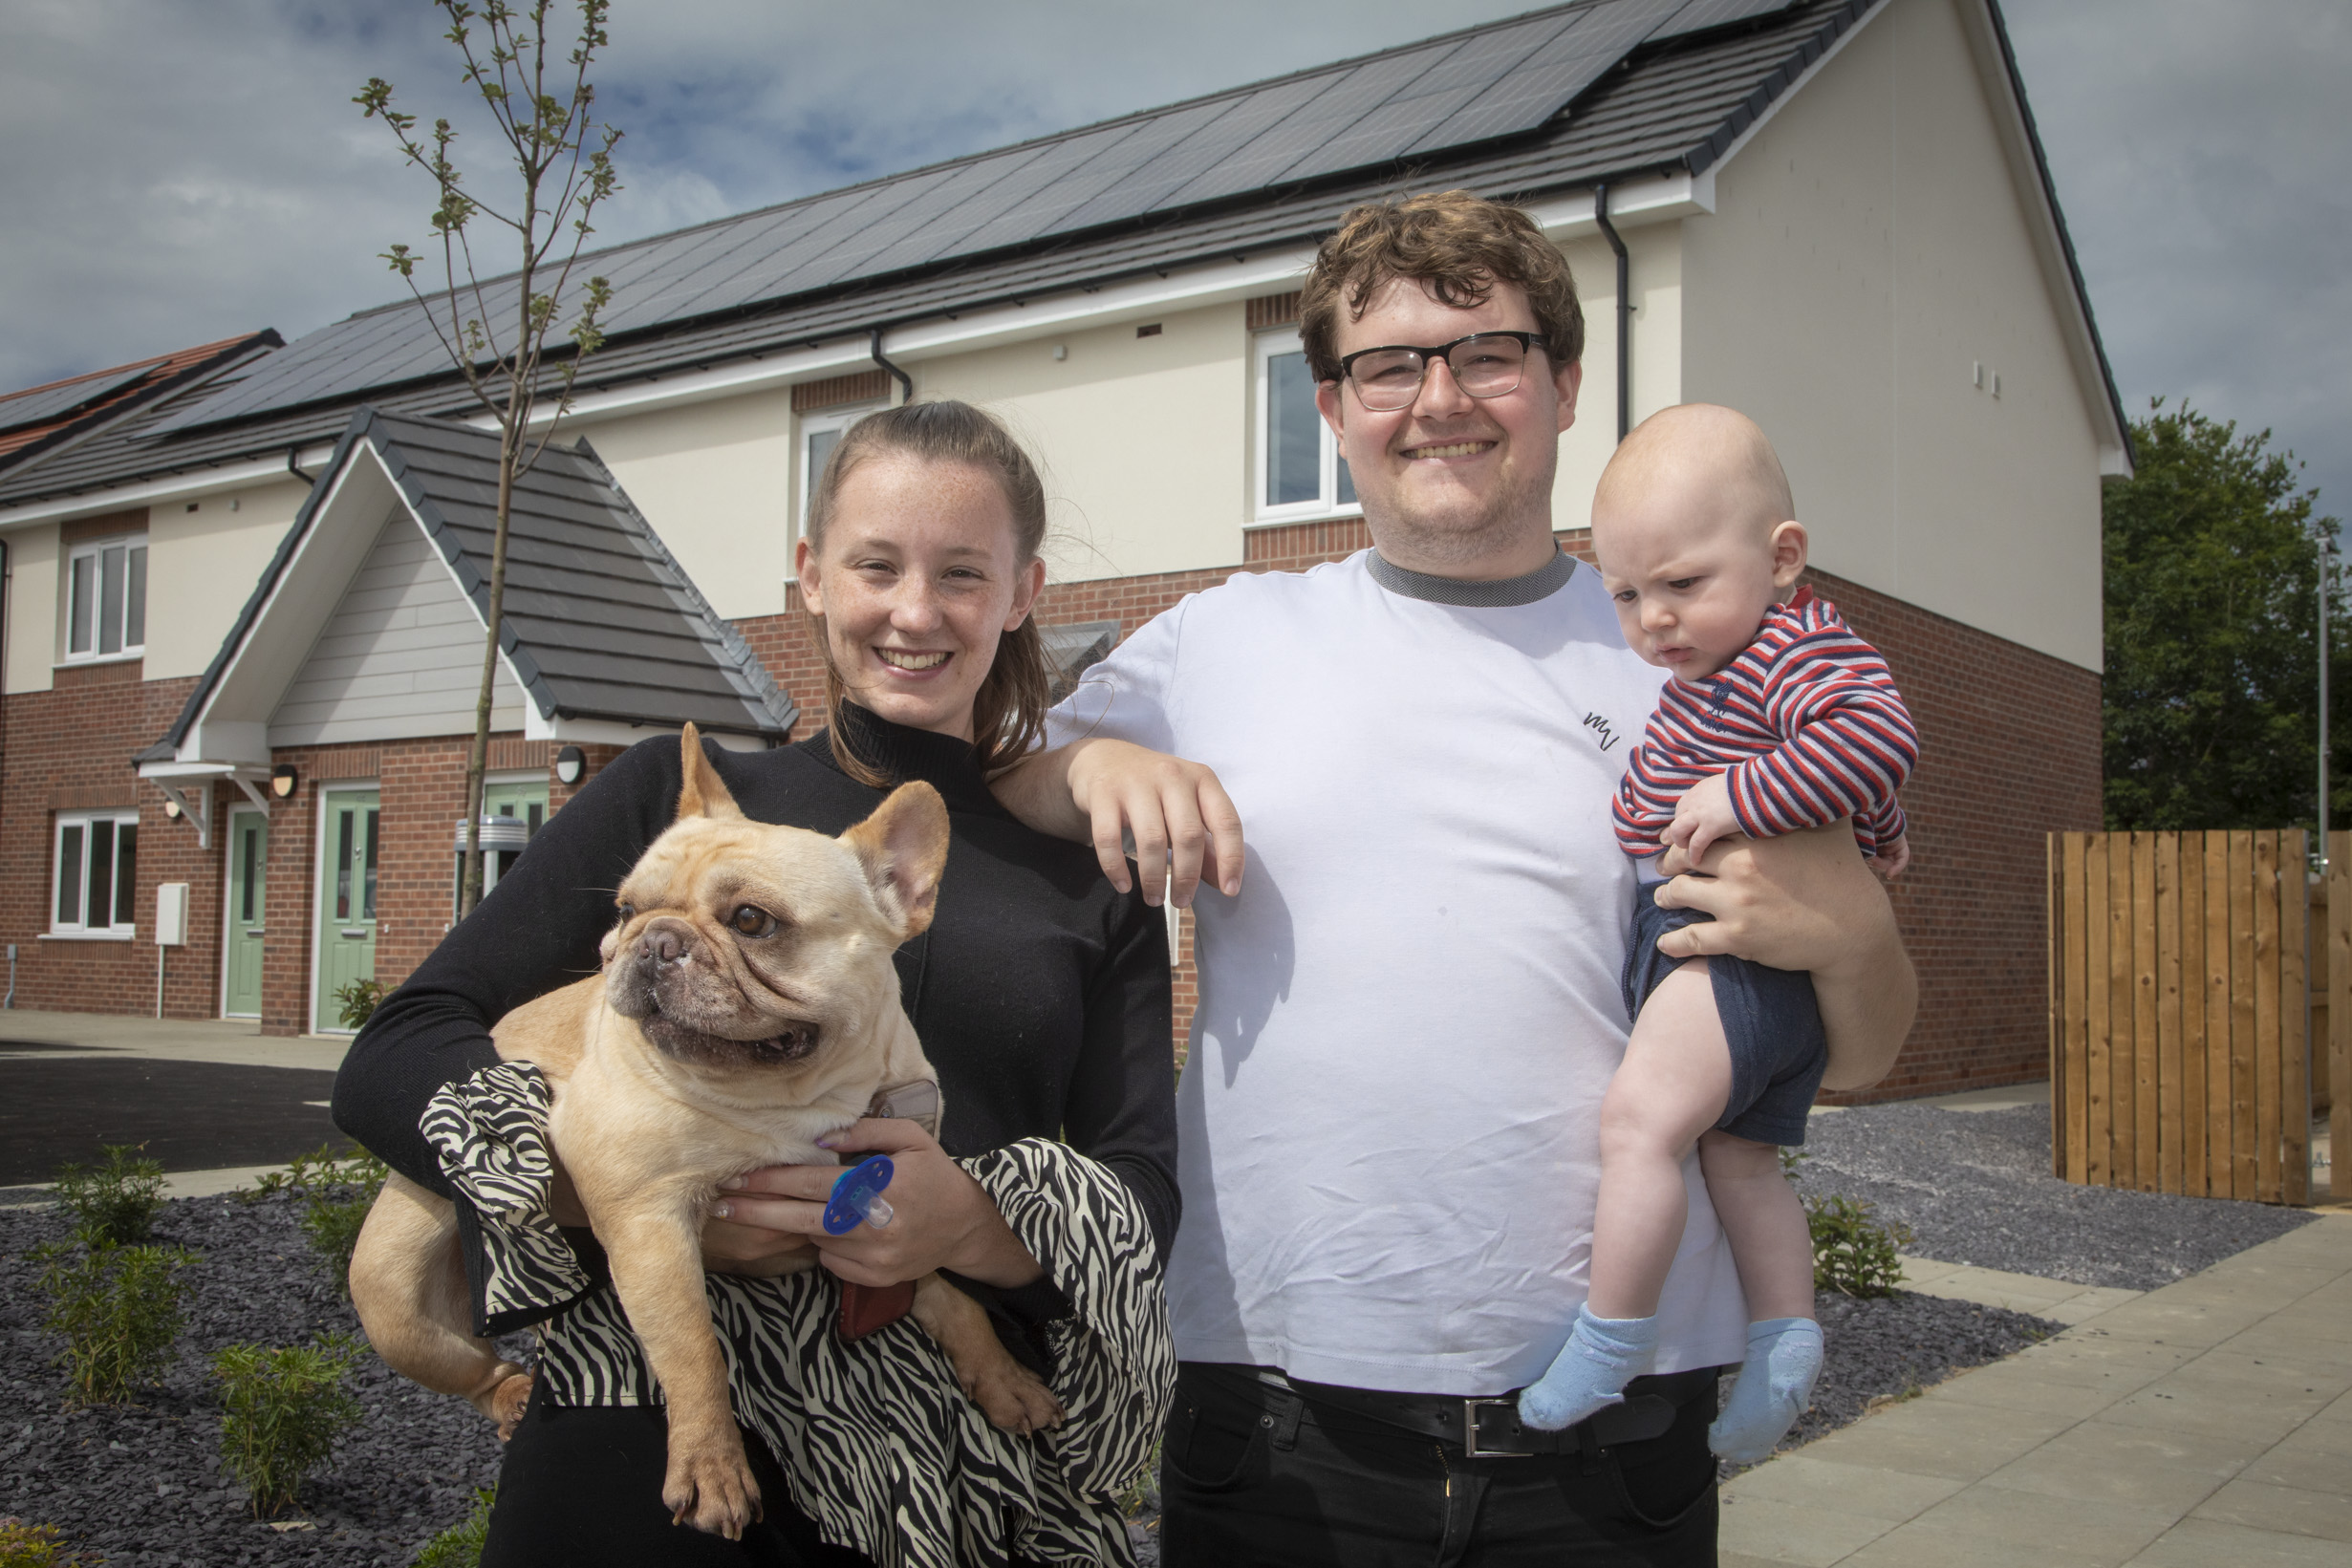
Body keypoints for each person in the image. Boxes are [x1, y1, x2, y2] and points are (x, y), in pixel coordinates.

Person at [991, 191, 1916, 1565]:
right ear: (1332, 405)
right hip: (1275, 1415)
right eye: (1388, 365)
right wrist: (1083, 771)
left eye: (1485, 351)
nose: (1439, 399)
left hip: (1611, 1440)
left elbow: (1867, 1055)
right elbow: (998, 775)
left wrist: (1844, 940)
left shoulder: (1688, 661)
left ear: (1561, 383)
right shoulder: (1222, 638)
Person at [332, 400, 1178, 1568]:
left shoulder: (1093, 871)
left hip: (953, 1468)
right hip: (642, 1441)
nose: (914, 610)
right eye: (874, 565)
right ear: (810, 577)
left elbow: (1143, 1193)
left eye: (963, 573)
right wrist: (609, 1183)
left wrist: (974, 1225)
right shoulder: (675, 804)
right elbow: (395, 1054)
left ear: (1023, 593)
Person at [1517, 404, 1918, 1465]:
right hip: (1748, 974)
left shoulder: (1790, 647)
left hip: (1727, 957)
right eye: (1625, 595)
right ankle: (1785, 1345)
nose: (1654, 619)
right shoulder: (1722, 669)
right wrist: (1879, 837)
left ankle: (1609, 1339)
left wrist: (1742, 793)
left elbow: (1879, 735)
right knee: (1741, 1167)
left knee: (1639, 1128)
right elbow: (1866, 795)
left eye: (1683, 585)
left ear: (1782, 557)